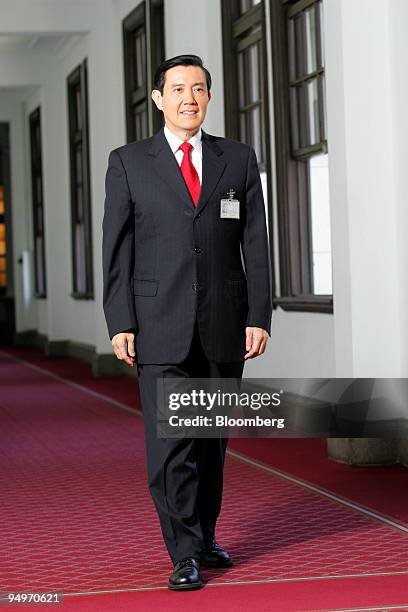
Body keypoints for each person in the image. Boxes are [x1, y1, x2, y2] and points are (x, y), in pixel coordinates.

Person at [102, 54, 272, 591]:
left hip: (224, 320)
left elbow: (256, 244)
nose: (188, 99)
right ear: (158, 98)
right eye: (177, 89)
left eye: (198, 89)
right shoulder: (129, 162)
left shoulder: (237, 160)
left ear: (209, 98)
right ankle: (183, 553)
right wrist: (120, 320)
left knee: (212, 441)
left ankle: (204, 536)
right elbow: (117, 249)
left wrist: (258, 315)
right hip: (158, 324)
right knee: (172, 442)